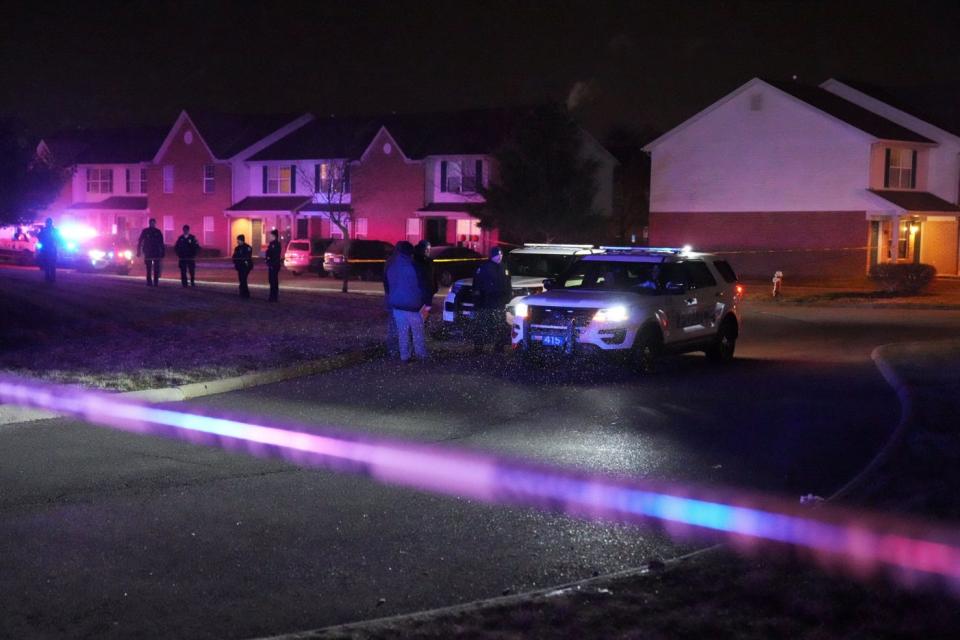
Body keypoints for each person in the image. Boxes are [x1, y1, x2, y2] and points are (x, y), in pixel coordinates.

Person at [384, 240, 432, 362]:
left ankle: (404, 356)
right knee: (417, 332)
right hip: (414, 305)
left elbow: (387, 285)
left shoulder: (390, 265)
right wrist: (427, 305)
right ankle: (420, 355)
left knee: (402, 332)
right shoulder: (415, 266)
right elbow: (424, 286)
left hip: (397, 305)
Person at [471, 246, 512, 354]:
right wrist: (478, 301)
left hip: (499, 304)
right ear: (492, 256)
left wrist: (508, 296)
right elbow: (476, 285)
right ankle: (478, 348)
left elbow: (508, 284)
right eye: (497, 255)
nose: (500, 257)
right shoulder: (484, 268)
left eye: (501, 254)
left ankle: (499, 347)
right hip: (486, 303)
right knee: (482, 326)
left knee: (499, 326)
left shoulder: (504, 267)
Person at [137, 218, 166, 287]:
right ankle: (149, 282)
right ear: (149, 223)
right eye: (151, 223)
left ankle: (156, 282)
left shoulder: (158, 232)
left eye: (153, 223)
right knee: (148, 268)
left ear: (155, 223)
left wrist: (163, 252)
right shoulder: (145, 231)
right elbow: (140, 241)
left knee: (156, 268)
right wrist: (138, 251)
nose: (152, 224)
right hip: (148, 252)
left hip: (156, 252)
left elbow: (161, 243)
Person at [174, 224, 200, 288]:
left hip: (190, 257)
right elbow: (176, 247)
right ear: (183, 230)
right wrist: (179, 254)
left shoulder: (192, 238)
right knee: (183, 271)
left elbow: (197, 247)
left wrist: (194, 254)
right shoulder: (180, 238)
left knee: (191, 271)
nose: (185, 231)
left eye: (187, 230)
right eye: (184, 230)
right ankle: (184, 283)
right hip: (182, 258)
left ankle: (192, 282)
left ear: (188, 230)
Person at [36, 218, 59, 284]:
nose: (48, 224)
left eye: (48, 222)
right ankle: (50, 278)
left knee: (50, 264)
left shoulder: (50, 230)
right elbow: (39, 237)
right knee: (49, 264)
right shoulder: (51, 230)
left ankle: (50, 278)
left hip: (49, 249)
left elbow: (39, 237)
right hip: (49, 249)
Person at [232, 234, 254, 299]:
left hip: (246, 266)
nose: (237, 241)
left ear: (242, 240)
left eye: (238, 240)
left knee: (243, 279)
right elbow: (234, 257)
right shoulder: (237, 248)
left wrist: (242, 259)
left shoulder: (248, 247)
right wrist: (236, 262)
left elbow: (247, 256)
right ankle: (242, 292)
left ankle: (245, 293)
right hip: (239, 267)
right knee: (241, 279)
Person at [265, 228, 282, 302]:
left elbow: (274, 255)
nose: (269, 237)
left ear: (274, 236)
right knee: (271, 281)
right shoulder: (272, 244)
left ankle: (274, 297)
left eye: (270, 236)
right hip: (271, 264)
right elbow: (268, 253)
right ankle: (272, 296)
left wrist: (270, 261)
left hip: (274, 265)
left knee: (273, 281)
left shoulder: (276, 245)